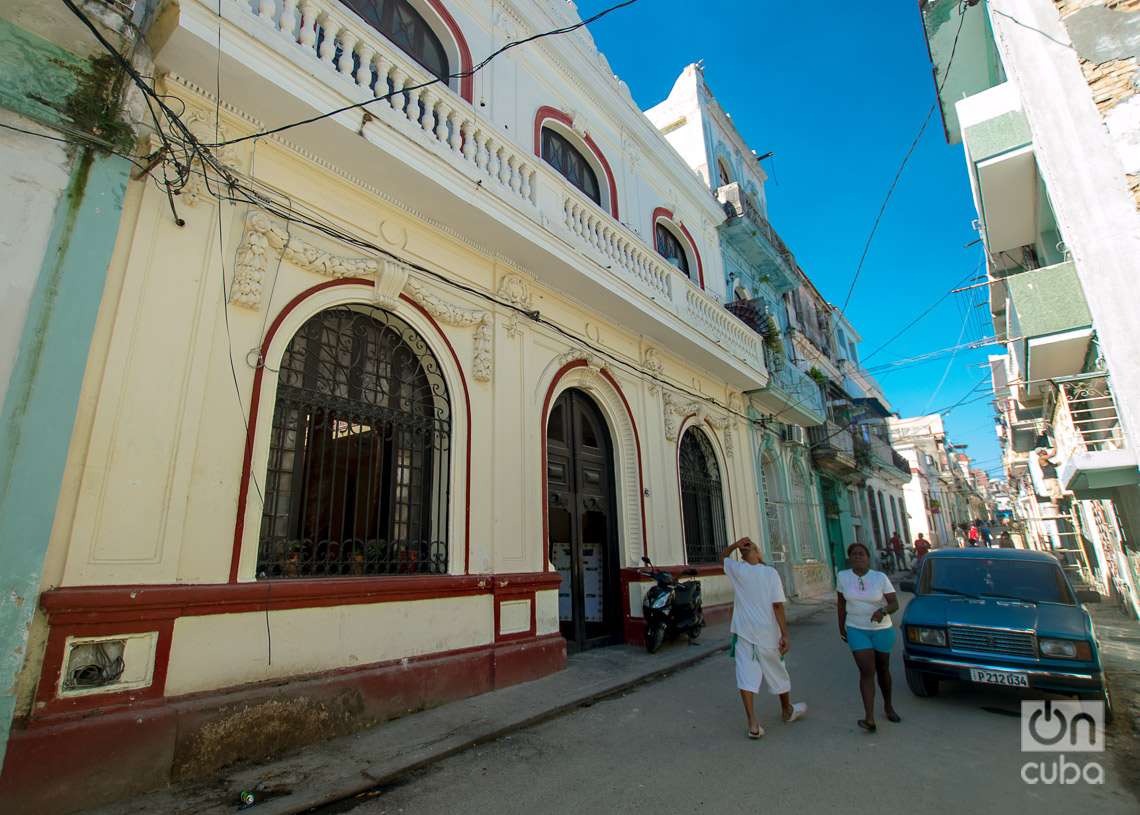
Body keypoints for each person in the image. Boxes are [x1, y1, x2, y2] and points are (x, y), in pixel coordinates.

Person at [722, 536, 807, 738]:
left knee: (746, 674)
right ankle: (787, 710)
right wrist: (785, 633)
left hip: (744, 633)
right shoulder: (770, 573)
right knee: (777, 670)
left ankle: (753, 723)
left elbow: (723, 557)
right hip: (767, 633)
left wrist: (735, 545)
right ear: (759, 554)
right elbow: (777, 605)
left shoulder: (738, 570)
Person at [837, 542, 900, 733]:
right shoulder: (843, 577)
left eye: (861, 554)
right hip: (857, 629)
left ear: (867, 557)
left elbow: (894, 603)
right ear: (850, 558)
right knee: (866, 671)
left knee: (883, 669)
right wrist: (841, 627)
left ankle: (888, 706)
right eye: (854, 554)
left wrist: (882, 611)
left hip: (882, 629)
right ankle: (869, 718)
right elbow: (840, 604)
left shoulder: (879, 578)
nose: (858, 557)